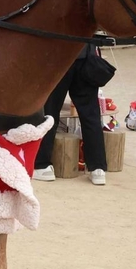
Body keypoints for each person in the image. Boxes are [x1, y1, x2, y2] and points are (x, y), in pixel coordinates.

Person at [33, 44, 109, 185]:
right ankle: (97, 168)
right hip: (86, 56)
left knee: (50, 113)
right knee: (90, 115)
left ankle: (42, 165)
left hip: (60, 59)